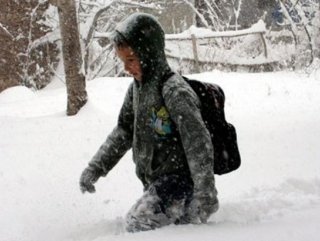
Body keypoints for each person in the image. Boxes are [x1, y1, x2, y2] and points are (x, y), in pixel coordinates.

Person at [79, 12, 219, 232]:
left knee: (139, 222)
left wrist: (205, 193)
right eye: (123, 61)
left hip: (181, 183)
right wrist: (96, 167)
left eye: (131, 60)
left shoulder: (174, 90)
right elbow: (123, 131)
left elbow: (198, 143)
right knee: (151, 224)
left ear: (149, 54)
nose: (126, 68)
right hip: (157, 183)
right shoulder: (136, 89)